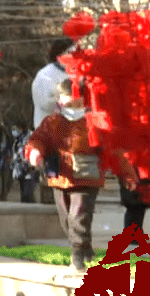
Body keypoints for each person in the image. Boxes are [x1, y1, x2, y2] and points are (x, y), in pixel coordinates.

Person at [26, 49, 104, 273]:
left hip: (87, 175)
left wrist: (126, 171)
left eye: (74, 101)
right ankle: (85, 250)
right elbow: (38, 139)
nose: (69, 106)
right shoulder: (52, 122)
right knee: (66, 219)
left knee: (78, 217)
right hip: (59, 175)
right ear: (60, 101)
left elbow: (110, 148)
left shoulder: (93, 121)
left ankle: (78, 256)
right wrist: (34, 152)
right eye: (66, 102)